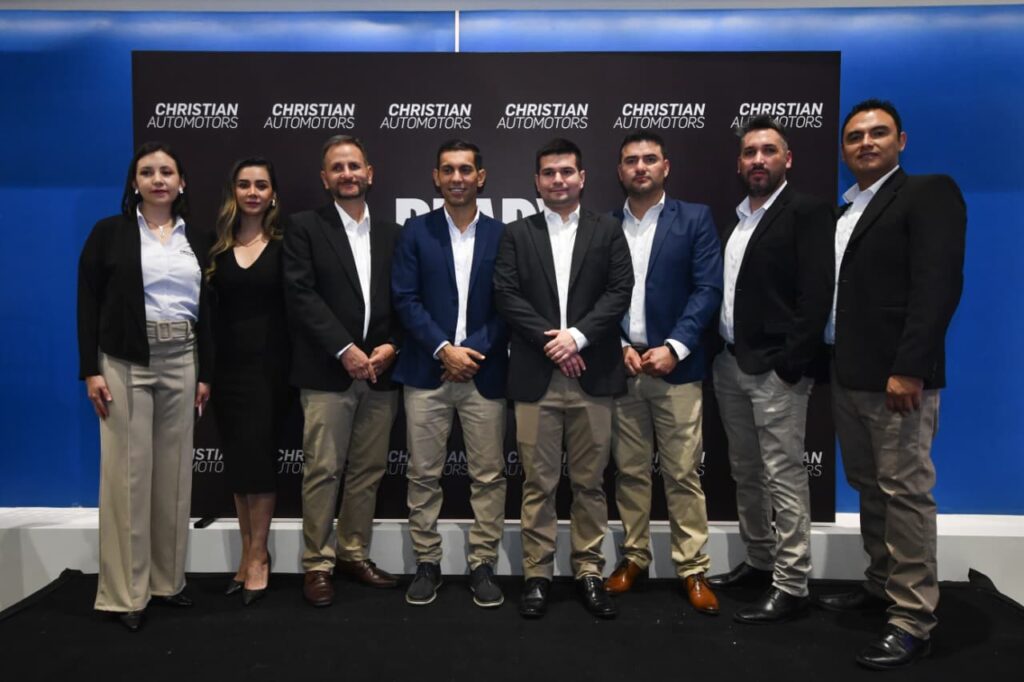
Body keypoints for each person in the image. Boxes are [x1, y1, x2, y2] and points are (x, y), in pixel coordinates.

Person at [823, 99, 965, 669]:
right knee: (870, 486)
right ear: (843, 149)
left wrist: (911, 367)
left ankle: (912, 619)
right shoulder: (846, 211)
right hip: (849, 373)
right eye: (855, 136)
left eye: (878, 133)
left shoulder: (928, 194)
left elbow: (938, 285)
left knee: (905, 493)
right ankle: (882, 584)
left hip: (898, 379)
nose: (866, 143)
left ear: (900, 141)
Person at [493, 138, 633, 619]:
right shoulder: (516, 234)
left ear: (582, 177)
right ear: (537, 181)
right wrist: (552, 343)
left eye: (567, 171)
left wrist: (577, 337)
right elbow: (506, 295)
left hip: (594, 374)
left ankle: (589, 570)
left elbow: (619, 291)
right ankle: (537, 574)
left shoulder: (607, 230)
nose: (558, 180)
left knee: (590, 483)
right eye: (549, 173)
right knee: (539, 483)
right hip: (536, 377)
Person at [78, 141, 212, 632]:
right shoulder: (109, 233)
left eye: (167, 172)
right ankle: (124, 594)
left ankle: (166, 583)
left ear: (182, 183)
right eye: (148, 172)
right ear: (134, 183)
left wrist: (205, 373)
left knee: (173, 479)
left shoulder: (197, 237)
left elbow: (209, 309)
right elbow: (87, 301)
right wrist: (90, 370)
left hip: (183, 358)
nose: (158, 179)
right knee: (127, 478)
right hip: (124, 361)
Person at [705, 116, 833, 623]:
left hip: (776, 371)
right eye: (750, 152)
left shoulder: (807, 211)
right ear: (739, 163)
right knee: (746, 472)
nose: (758, 160)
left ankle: (792, 582)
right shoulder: (738, 221)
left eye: (768, 151)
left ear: (788, 159)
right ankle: (760, 561)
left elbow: (817, 294)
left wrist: (789, 365)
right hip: (730, 363)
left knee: (783, 475)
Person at [604, 131, 724, 615]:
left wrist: (674, 347)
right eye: (631, 160)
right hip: (623, 368)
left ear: (665, 166)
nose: (640, 167)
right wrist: (616, 346)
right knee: (630, 472)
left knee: (681, 473)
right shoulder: (605, 225)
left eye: (649, 159)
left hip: (677, 368)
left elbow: (707, 289)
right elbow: (595, 295)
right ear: (619, 170)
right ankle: (634, 557)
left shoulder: (694, 218)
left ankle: (692, 568)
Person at [283, 135, 402, 608]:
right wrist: (344, 349)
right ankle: (317, 563)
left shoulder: (393, 233)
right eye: (338, 167)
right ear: (325, 178)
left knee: (368, 470)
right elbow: (301, 294)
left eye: (354, 165)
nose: (347, 174)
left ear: (369, 173)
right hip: (326, 372)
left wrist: (391, 345)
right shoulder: (304, 228)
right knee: (323, 469)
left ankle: (353, 553)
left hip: (380, 373)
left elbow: (404, 298)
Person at [392, 140, 508, 608]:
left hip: (484, 371)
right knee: (422, 474)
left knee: (489, 476)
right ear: (436, 178)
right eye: (448, 170)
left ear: (480, 176)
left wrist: (470, 352)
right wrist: (444, 349)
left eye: (465, 169)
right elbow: (405, 299)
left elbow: (509, 304)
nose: (457, 178)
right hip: (427, 370)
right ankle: (427, 561)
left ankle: (483, 564)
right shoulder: (415, 231)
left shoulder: (503, 235)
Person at [206, 158, 291, 605]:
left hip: (271, 370)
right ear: (233, 192)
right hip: (226, 372)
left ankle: (259, 555)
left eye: (261, 184)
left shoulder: (286, 245)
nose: (253, 192)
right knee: (240, 466)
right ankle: (246, 552)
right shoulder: (215, 248)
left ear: (273, 193)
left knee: (258, 464)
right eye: (244, 184)